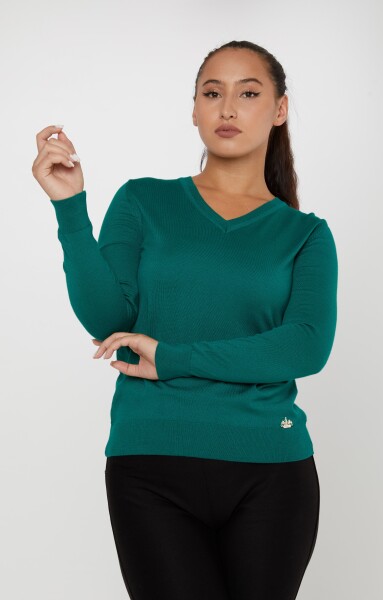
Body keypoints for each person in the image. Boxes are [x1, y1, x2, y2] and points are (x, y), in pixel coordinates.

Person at [32, 40, 338, 600]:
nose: (228, 108)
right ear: (194, 109)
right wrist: (70, 210)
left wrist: (173, 358)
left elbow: (306, 347)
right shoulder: (143, 202)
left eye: (249, 94)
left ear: (279, 110)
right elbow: (108, 321)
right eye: (212, 93)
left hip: (271, 471)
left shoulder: (305, 235)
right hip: (149, 464)